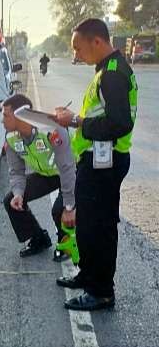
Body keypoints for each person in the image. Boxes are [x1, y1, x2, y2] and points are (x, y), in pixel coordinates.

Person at [55, 18, 137, 311]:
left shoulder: (113, 73)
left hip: (106, 162)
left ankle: (101, 291)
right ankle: (89, 276)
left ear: (97, 42)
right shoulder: (106, 69)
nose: (77, 55)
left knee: (98, 228)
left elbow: (119, 123)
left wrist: (75, 121)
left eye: (79, 48)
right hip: (96, 160)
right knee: (88, 225)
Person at [1, 94, 76, 260]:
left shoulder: (50, 130)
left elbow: (67, 168)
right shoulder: (11, 138)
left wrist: (69, 205)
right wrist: (19, 193)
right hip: (47, 174)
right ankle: (38, 239)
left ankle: (67, 244)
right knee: (10, 200)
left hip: (73, 171)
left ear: (21, 115)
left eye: (5, 115)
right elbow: (16, 171)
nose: (2, 120)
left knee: (60, 209)